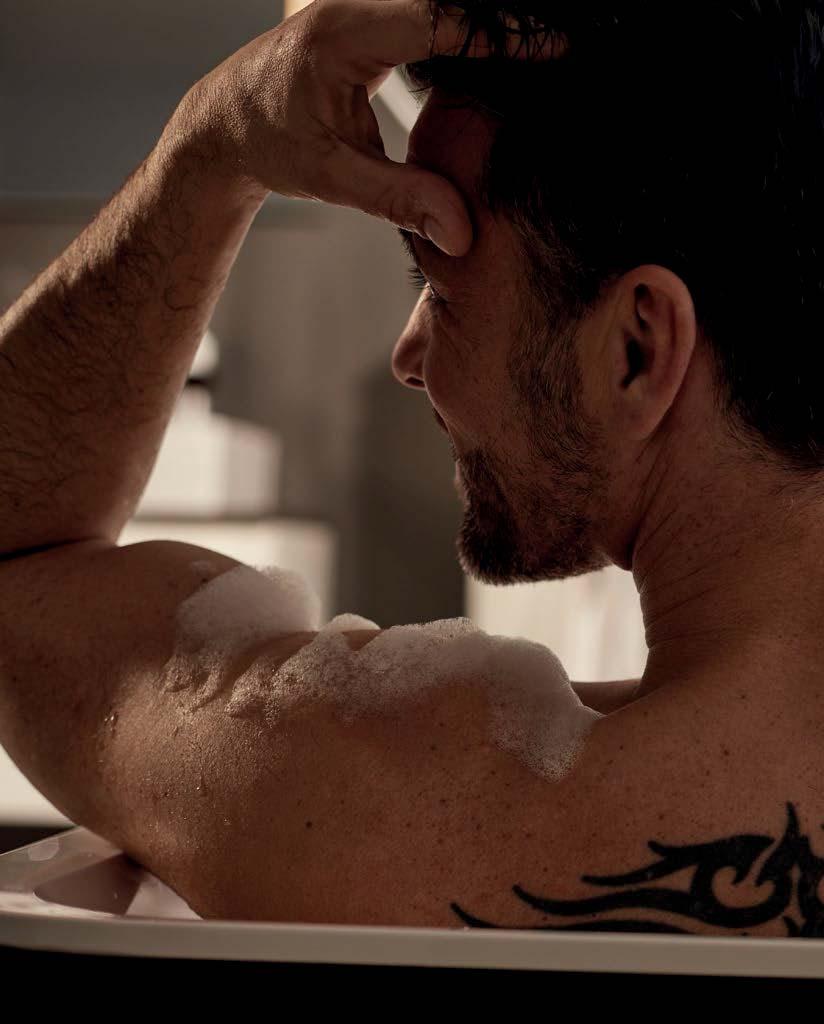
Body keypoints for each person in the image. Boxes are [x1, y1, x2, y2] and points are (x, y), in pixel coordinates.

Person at [0, 0, 822, 937]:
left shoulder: (441, 810)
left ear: (637, 349)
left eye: (438, 284)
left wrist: (210, 149)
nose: (408, 354)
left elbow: (18, 559)